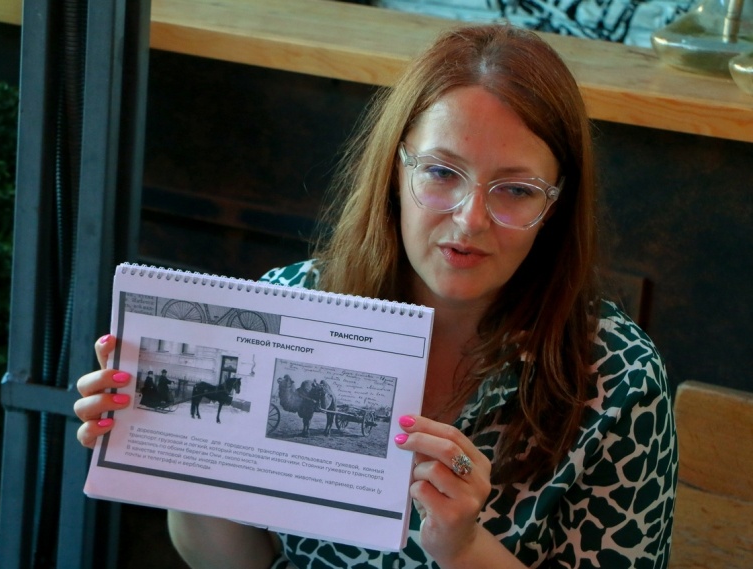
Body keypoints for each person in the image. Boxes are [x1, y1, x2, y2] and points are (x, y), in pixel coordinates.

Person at [73, 24, 677, 569]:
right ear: (395, 170)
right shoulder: (288, 304)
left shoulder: (619, 379)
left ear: (556, 204)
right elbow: (237, 562)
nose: (470, 219)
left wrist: (465, 549)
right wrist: (180, 452)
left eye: (515, 189)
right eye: (441, 173)